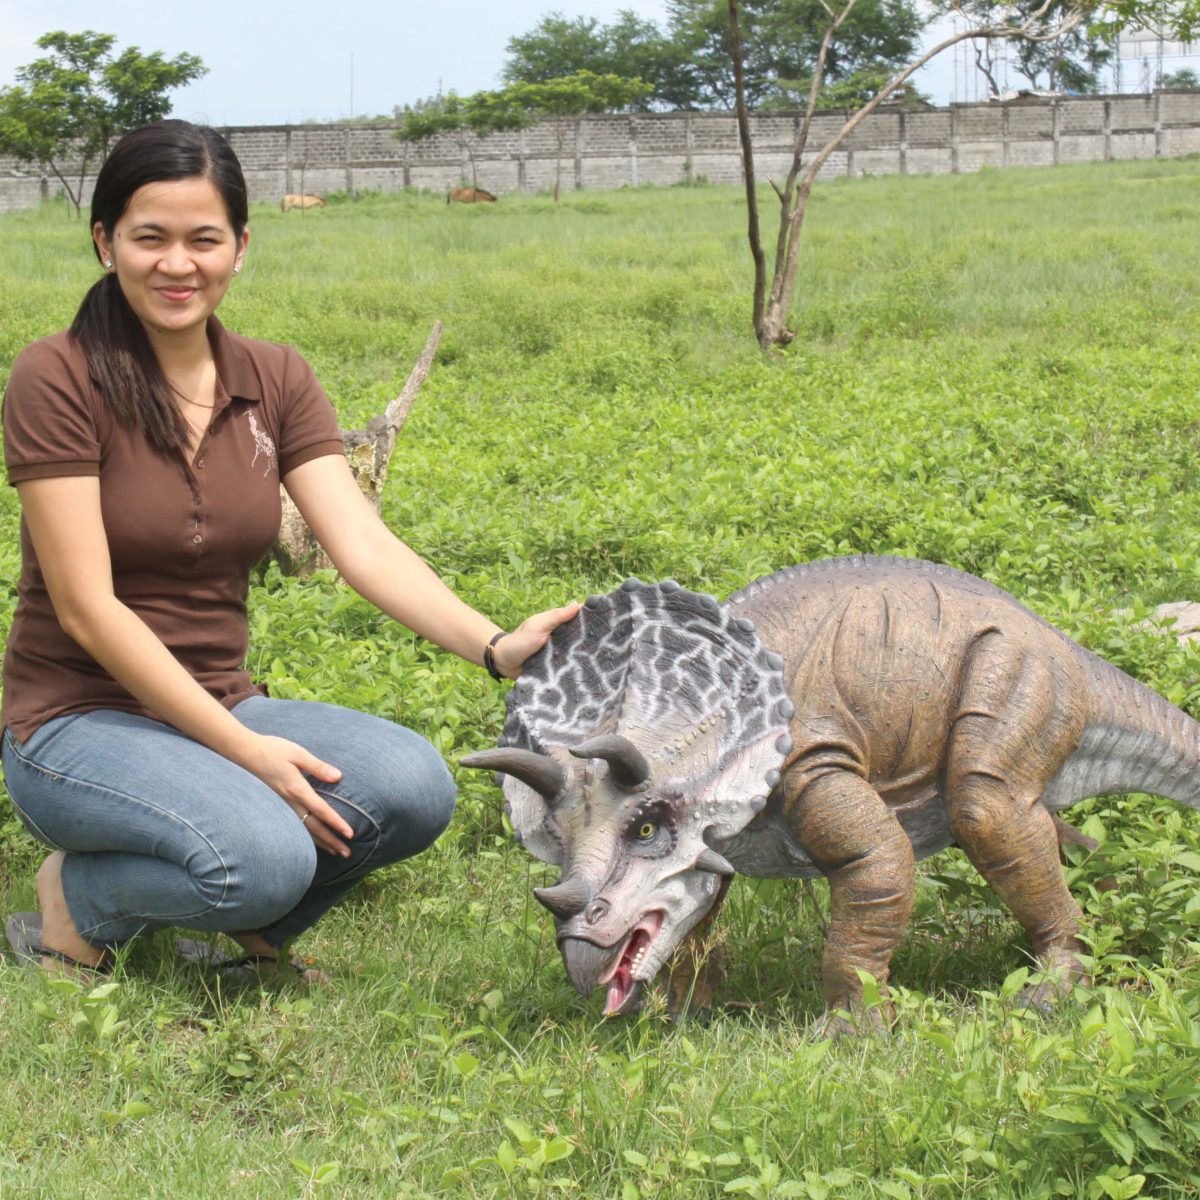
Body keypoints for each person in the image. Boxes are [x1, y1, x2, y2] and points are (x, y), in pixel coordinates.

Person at [0, 119, 577, 981]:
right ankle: (77, 903)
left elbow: (362, 544)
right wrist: (244, 753)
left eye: (204, 239)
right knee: (263, 858)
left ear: (240, 246)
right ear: (104, 242)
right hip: (76, 722)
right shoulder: (59, 376)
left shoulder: (274, 377)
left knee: (416, 787)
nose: (177, 264)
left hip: (221, 699)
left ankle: (251, 929)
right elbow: (88, 606)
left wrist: (495, 647)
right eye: (148, 237)